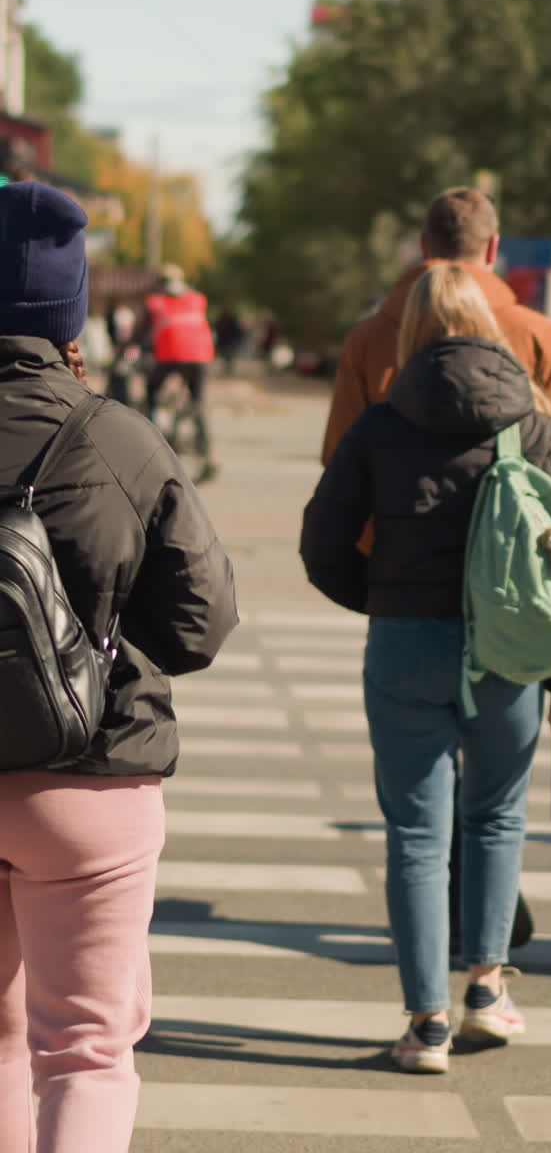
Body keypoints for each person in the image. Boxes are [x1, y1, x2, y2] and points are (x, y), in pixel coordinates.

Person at [301, 263, 551, 1073]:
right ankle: (488, 993)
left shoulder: (380, 423)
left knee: (416, 836)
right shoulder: (526, 421)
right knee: (497, 817)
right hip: (505, 647)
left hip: (404, 642)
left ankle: (426, 1024)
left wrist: (379, 600)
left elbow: (321, 541)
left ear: (412, 330)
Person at [0, 182, 238, 1150]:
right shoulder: (120, 437)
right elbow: (200, 623)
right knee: (87, 1049)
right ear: (73, 319)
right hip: (91, 775)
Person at [322, 186, 551, 951]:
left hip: (401, 595)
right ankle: (488, 957)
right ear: (493, 250)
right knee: (498, 794)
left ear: (423, 250)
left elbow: (338, 466)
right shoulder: (533, 335)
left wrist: (377, 585)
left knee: (417, 805)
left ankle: (426, 1002)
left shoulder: (373, 338)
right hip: (508, 600)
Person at [322, 185, 551, 462]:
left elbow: (340, 454)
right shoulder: (536, 334)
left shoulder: (367, 338)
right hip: (504, 501)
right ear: (493, 247)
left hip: (392, 502)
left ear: (423, 244)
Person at [143, 263, 218, 482]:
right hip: (202, 356)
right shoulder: (197, 299)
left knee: (151, 393)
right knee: (199, 404)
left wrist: (123, 350)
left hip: (169, 356)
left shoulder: (155, 302)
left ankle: (152, 438)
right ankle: (208, 456)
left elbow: (140, 332)